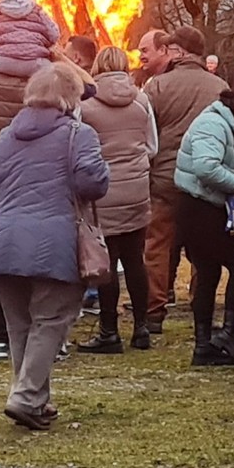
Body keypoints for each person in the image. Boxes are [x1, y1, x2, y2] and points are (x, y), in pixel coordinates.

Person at [0, 63, 109, 429]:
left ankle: (35, 398)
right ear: (71, 97)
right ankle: (25, 396)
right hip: (55, 240)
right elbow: (93, 184)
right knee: (51, 321)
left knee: (21, 326)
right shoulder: (79, 134)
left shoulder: (6, 135)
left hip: (5, 238)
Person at [136, 27, 225, 334]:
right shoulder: (220, 87)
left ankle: (153, 310)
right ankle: (202, 308)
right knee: (206, 249)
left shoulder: (156, 86)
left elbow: (145, 132)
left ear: (179, 51)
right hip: (206, 181)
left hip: (165, 179)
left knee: (157, 245)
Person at [77, 47, 159, 354]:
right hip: (137, 188)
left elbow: (80, 147)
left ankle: (109, 330)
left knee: (106, 262)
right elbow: (152, 145)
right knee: (136, 260)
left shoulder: (85, 103)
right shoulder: (141, 99)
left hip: (103, 192)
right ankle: (141, 327)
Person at [172, 84, 234, 367]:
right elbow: (206, 168)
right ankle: (224, 335)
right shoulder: (213, 124)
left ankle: (205, 344)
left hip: (206, 207)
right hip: (200, 208)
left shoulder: (232, 127)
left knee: (208, 272)